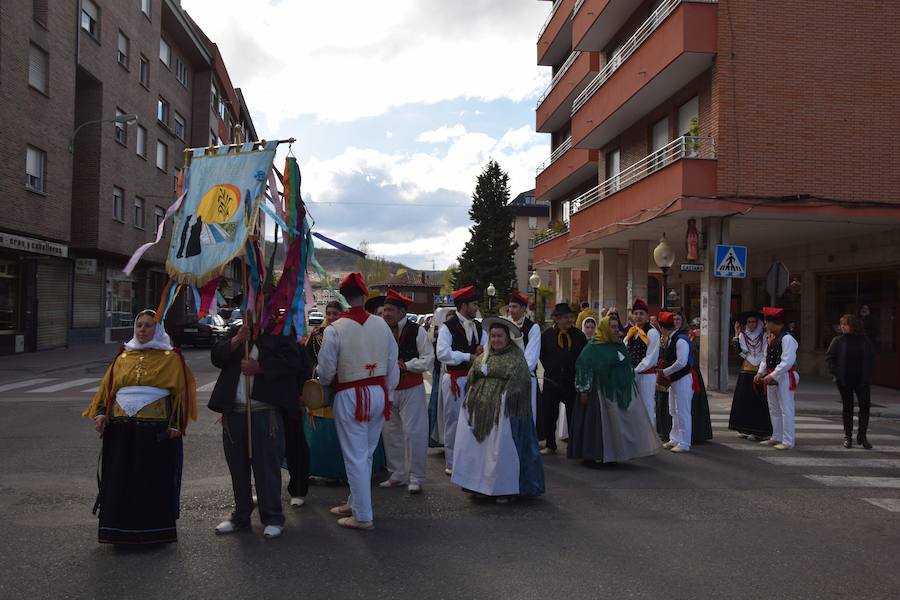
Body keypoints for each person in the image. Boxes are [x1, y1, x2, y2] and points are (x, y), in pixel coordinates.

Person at [83, 310, 197, 545]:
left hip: (154, 431)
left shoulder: (172, 357)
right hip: (121, 430)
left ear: (158, 329)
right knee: (119, 478)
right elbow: (108, 388)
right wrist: (102, 414)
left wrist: (177, 424)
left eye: (148, 326)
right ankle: (116, 531)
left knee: (150, 478)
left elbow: (181, 393)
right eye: (139, 325)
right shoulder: (123, 357)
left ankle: (153, 532)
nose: (143, 330)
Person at [316, 272, 399, 530]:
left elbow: (326, 369)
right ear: (364, 295)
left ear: (343, 296)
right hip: (377, 393)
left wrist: (322, 384)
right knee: (365, 453)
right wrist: (388, 393)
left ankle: (363, 515)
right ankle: (355, 502)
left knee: (355, 455)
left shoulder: (335, 329)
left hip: (350, 394)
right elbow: (392, 364)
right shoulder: (381, 324)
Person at [209, 317, 303, 540]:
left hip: (264, 412)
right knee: (237, 467)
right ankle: (240, 516)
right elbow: (217, 356)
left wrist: (261, 368)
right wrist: (236, 340)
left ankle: (272, 517)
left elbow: (293, 362)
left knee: (266, 467)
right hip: (234, 412)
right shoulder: (237, 329)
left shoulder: (281, 331)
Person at [450, 318, 544, 501]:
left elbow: (521, 383)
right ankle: (480, 485)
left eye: (500, 336)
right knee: (480, 452)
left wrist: (502, 399)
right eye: (493, 336)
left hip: (506, 414)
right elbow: (472, 377)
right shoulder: (484, 356)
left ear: (508, 338)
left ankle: (505, 489)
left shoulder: (517, 357)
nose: (496, 340)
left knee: (502, 453)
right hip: (480, 412)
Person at [305, 301, 388, 481]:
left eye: (335, 313)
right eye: (329, 313)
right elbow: (310, 359)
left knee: (355, 442)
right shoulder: (317, 334)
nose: (332, 317)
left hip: (346, 388)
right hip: (328, 388)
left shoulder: (346, 331)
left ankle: (352, 478)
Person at [570, 316, 661, 464]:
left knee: (614, 425)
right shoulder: (593, 347)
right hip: (597, 392)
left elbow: (627, 364)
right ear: (605, 328)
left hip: (614, 393)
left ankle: (613, 455)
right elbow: (584, 367)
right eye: (612, 327)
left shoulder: (619, 346)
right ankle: (591, 454)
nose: (616, 329)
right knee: (596, 425)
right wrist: (584, 390)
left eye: (616, 326)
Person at [380, 289, 434, 494]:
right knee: (390, 433)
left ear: (402, 311)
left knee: (414, 433)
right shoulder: (380, 330)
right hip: (387, 388)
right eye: (384, 310)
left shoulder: (416, 331)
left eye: (390, 310)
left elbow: (428, 359)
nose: (386, 313)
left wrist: (407, 365)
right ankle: (397, 474)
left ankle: (416, 477)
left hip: (411, 387)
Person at [436, 285, 487, 476]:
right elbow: (442, 353)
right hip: (455, 380)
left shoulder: (479, 326)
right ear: (463, 305)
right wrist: (468, 357)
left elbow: (486, 348)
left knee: (474, 420)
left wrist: (483, 352)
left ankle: (471, 458)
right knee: (454, 420)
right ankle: (451, 461)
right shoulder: (447, 327)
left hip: (474, 380)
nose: (476, 308)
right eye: (474, 304)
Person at [539, 303, 587, 455]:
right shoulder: (546, 336)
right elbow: (542, 356)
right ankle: (550, 444)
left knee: (573, 414)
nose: (569, 320)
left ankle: (574, 445)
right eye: (565, 317)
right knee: (550, 414)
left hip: (572, 380)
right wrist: (552, 368)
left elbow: (584, 357)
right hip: (552, 380)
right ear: (557, 319)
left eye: (570, 317)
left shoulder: (579, 335)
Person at [826, 314, 876, 449]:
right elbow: (830, 357)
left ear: (854, 326)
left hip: (862, 379)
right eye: (841, 324)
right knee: (847, 407)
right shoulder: (838, 340)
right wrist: (835, 372)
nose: (842, 326)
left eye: (845, 324)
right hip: (844, 380)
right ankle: (848, 437)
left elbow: (871, 357)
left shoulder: (865, 340)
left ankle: (862, 437)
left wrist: (868, 373)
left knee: (865, 406)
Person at [755, 307, 799, 450]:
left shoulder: (787, 339)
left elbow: (787, 362)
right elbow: (765, 358)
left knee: (786, 408)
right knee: (773, 407)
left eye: (767, 323)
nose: (766, 326)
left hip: (785, 375)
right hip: (772, 375)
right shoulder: (771, 338)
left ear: (777, 324)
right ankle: (776, 436)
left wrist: (771, 376)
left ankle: (788, 440)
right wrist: (760, 373)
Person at [728, 311, 772, 441]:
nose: (751, 324)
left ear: (758, 323)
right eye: (749, 322)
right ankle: (744, 428)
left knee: (758, 401)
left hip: (759, 372)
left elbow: (765, 354)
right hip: (745, 372)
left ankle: (759, 431)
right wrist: (736, 333)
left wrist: (761, 371)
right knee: (744, 400)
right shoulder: (743, 336)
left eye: (754, 322)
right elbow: (739, 352)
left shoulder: (764, 336)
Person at [657, 312, 697, 453]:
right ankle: (674, 438)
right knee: (673, 410)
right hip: (675, 379)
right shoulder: (671, 339)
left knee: (683, 411)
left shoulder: (680, 340)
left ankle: (685, 442)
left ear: (662, 328)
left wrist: (665, 372)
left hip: (683, 378)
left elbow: (682, 362)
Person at [623, 298, 660, 429]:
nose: (638, 316)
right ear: (632, 315)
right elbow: (624, 351)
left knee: (647, 406)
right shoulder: (631, 332)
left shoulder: (652, 332)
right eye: (636, 313)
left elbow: (651, 357)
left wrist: (635, 370)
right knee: (633, 406)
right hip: (632, 374)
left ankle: (649, 439)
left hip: (646, 375)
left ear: (647, 316)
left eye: (641, 313)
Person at [506, 290, 541, 423]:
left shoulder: (533, 328)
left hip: (525, 378)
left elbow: (531, 360)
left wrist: (513, 370)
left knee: (526, 414)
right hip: (506, 378)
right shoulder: (505, 325)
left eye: (514, 307)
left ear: (523, 308)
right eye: (510, 306)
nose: (511, 310)